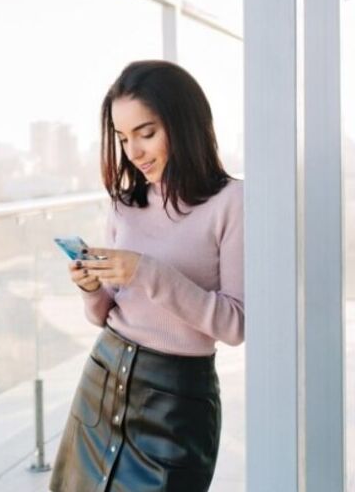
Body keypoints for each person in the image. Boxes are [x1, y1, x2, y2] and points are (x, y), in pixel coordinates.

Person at [49, 60, 244, 492]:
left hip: (176, 405)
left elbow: (235, 325)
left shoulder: (232, 202)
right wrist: (91, 289)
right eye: (122, 138)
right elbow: (105, 314)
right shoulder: (124, 203)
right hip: (103, 378)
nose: (133, 152)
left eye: (146, 133)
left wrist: (148, 272)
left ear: (184, 123)